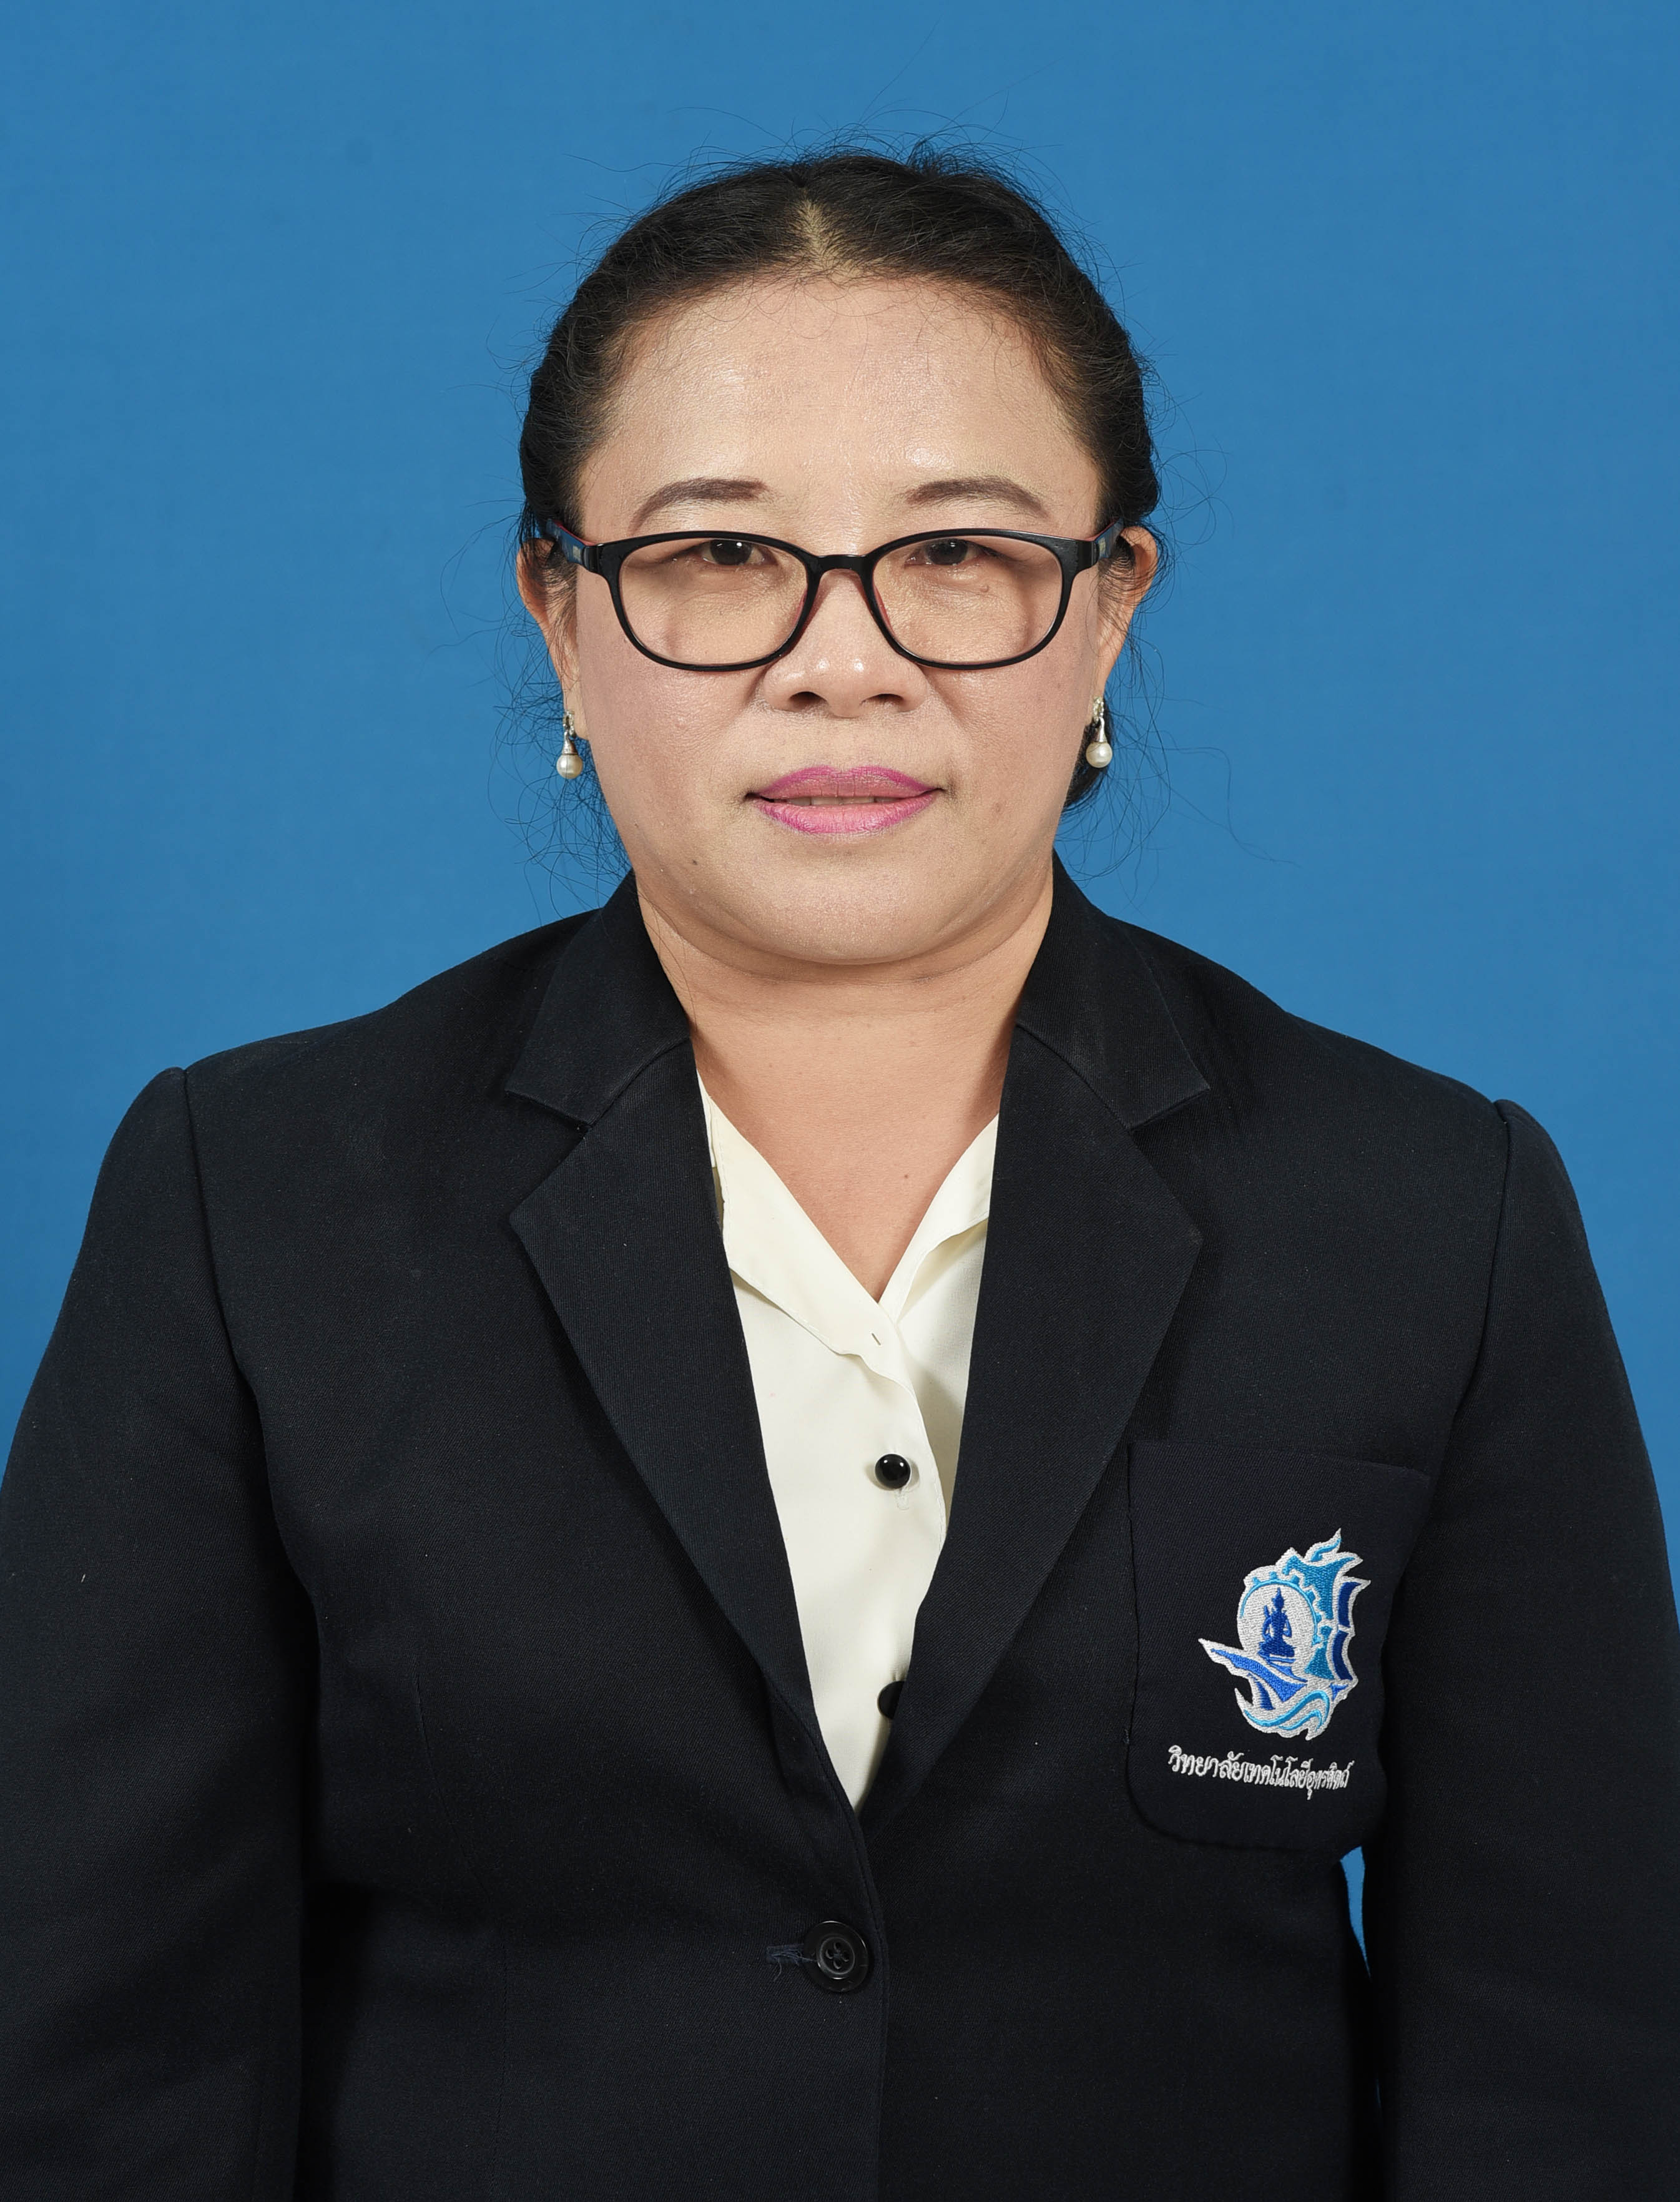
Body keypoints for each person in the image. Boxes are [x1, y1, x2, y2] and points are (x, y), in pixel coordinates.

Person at [1, 147, 1675, 2201]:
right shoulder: (254, 1199)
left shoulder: (1426, 1212)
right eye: (718, 554)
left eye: (956, 552)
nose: (841, 660)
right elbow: (106, 2063)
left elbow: (1569, 2062)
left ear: (1109, 608)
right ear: (560, 614)